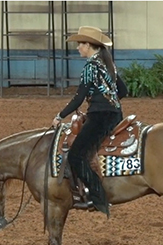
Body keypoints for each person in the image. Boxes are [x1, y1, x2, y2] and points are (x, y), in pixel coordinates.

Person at [52, 26, 127, 217]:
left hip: (100, 117)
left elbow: (78, 99)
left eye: (80, 44)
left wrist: (60, 116)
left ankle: (98, 197)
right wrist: (108, 100)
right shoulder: (107, 64)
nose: (78, 48)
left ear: (89, 45)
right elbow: (124, 91)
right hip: (114, 114)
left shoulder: (91, 67)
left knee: (76, 155)